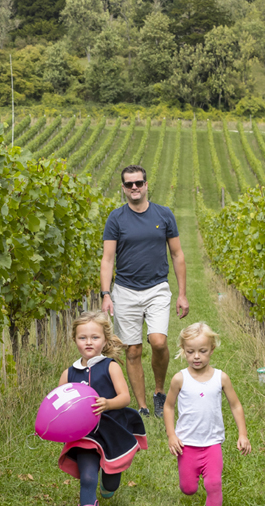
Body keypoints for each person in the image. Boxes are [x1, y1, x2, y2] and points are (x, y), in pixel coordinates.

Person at [100, 165, 189, 420]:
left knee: (159, 341)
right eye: (129, 184)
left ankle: (159, 392)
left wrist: (182, 294)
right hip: (125, 291)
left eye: (138, 183)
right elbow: (107, 259)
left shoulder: (164, 214)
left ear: (147, 184)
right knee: (133, 350)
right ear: (123, 188)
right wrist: (106, 293)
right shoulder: (116, 219)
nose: (134, 188)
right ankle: (142, 407)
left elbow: (177, 254)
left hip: (157, 288)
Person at [56, 311, 148, 506]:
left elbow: (125, 398)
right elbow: (58, 403)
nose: (89, 342)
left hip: (110, 431)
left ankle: (108, 488)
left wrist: (107, 404)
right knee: (88, 476)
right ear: (74, 339)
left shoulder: (111, 366)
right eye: (83, 337)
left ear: (105, 340)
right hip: (84, 436)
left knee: (111, 481)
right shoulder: (68, 373)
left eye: (95, 337)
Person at [162, 322, 251, 506]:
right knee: (188, 488)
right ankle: (192, 485)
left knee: (213, 483)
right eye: (190, 351)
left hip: (212, 442)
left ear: (212, 349)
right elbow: (168, 406)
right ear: (183, 351)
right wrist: (171, 435)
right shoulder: (179, 379)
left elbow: (236, 406)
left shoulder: (221, 378)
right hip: (187, 444)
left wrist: (242, 434)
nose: (196, 356)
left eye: (202, 351)